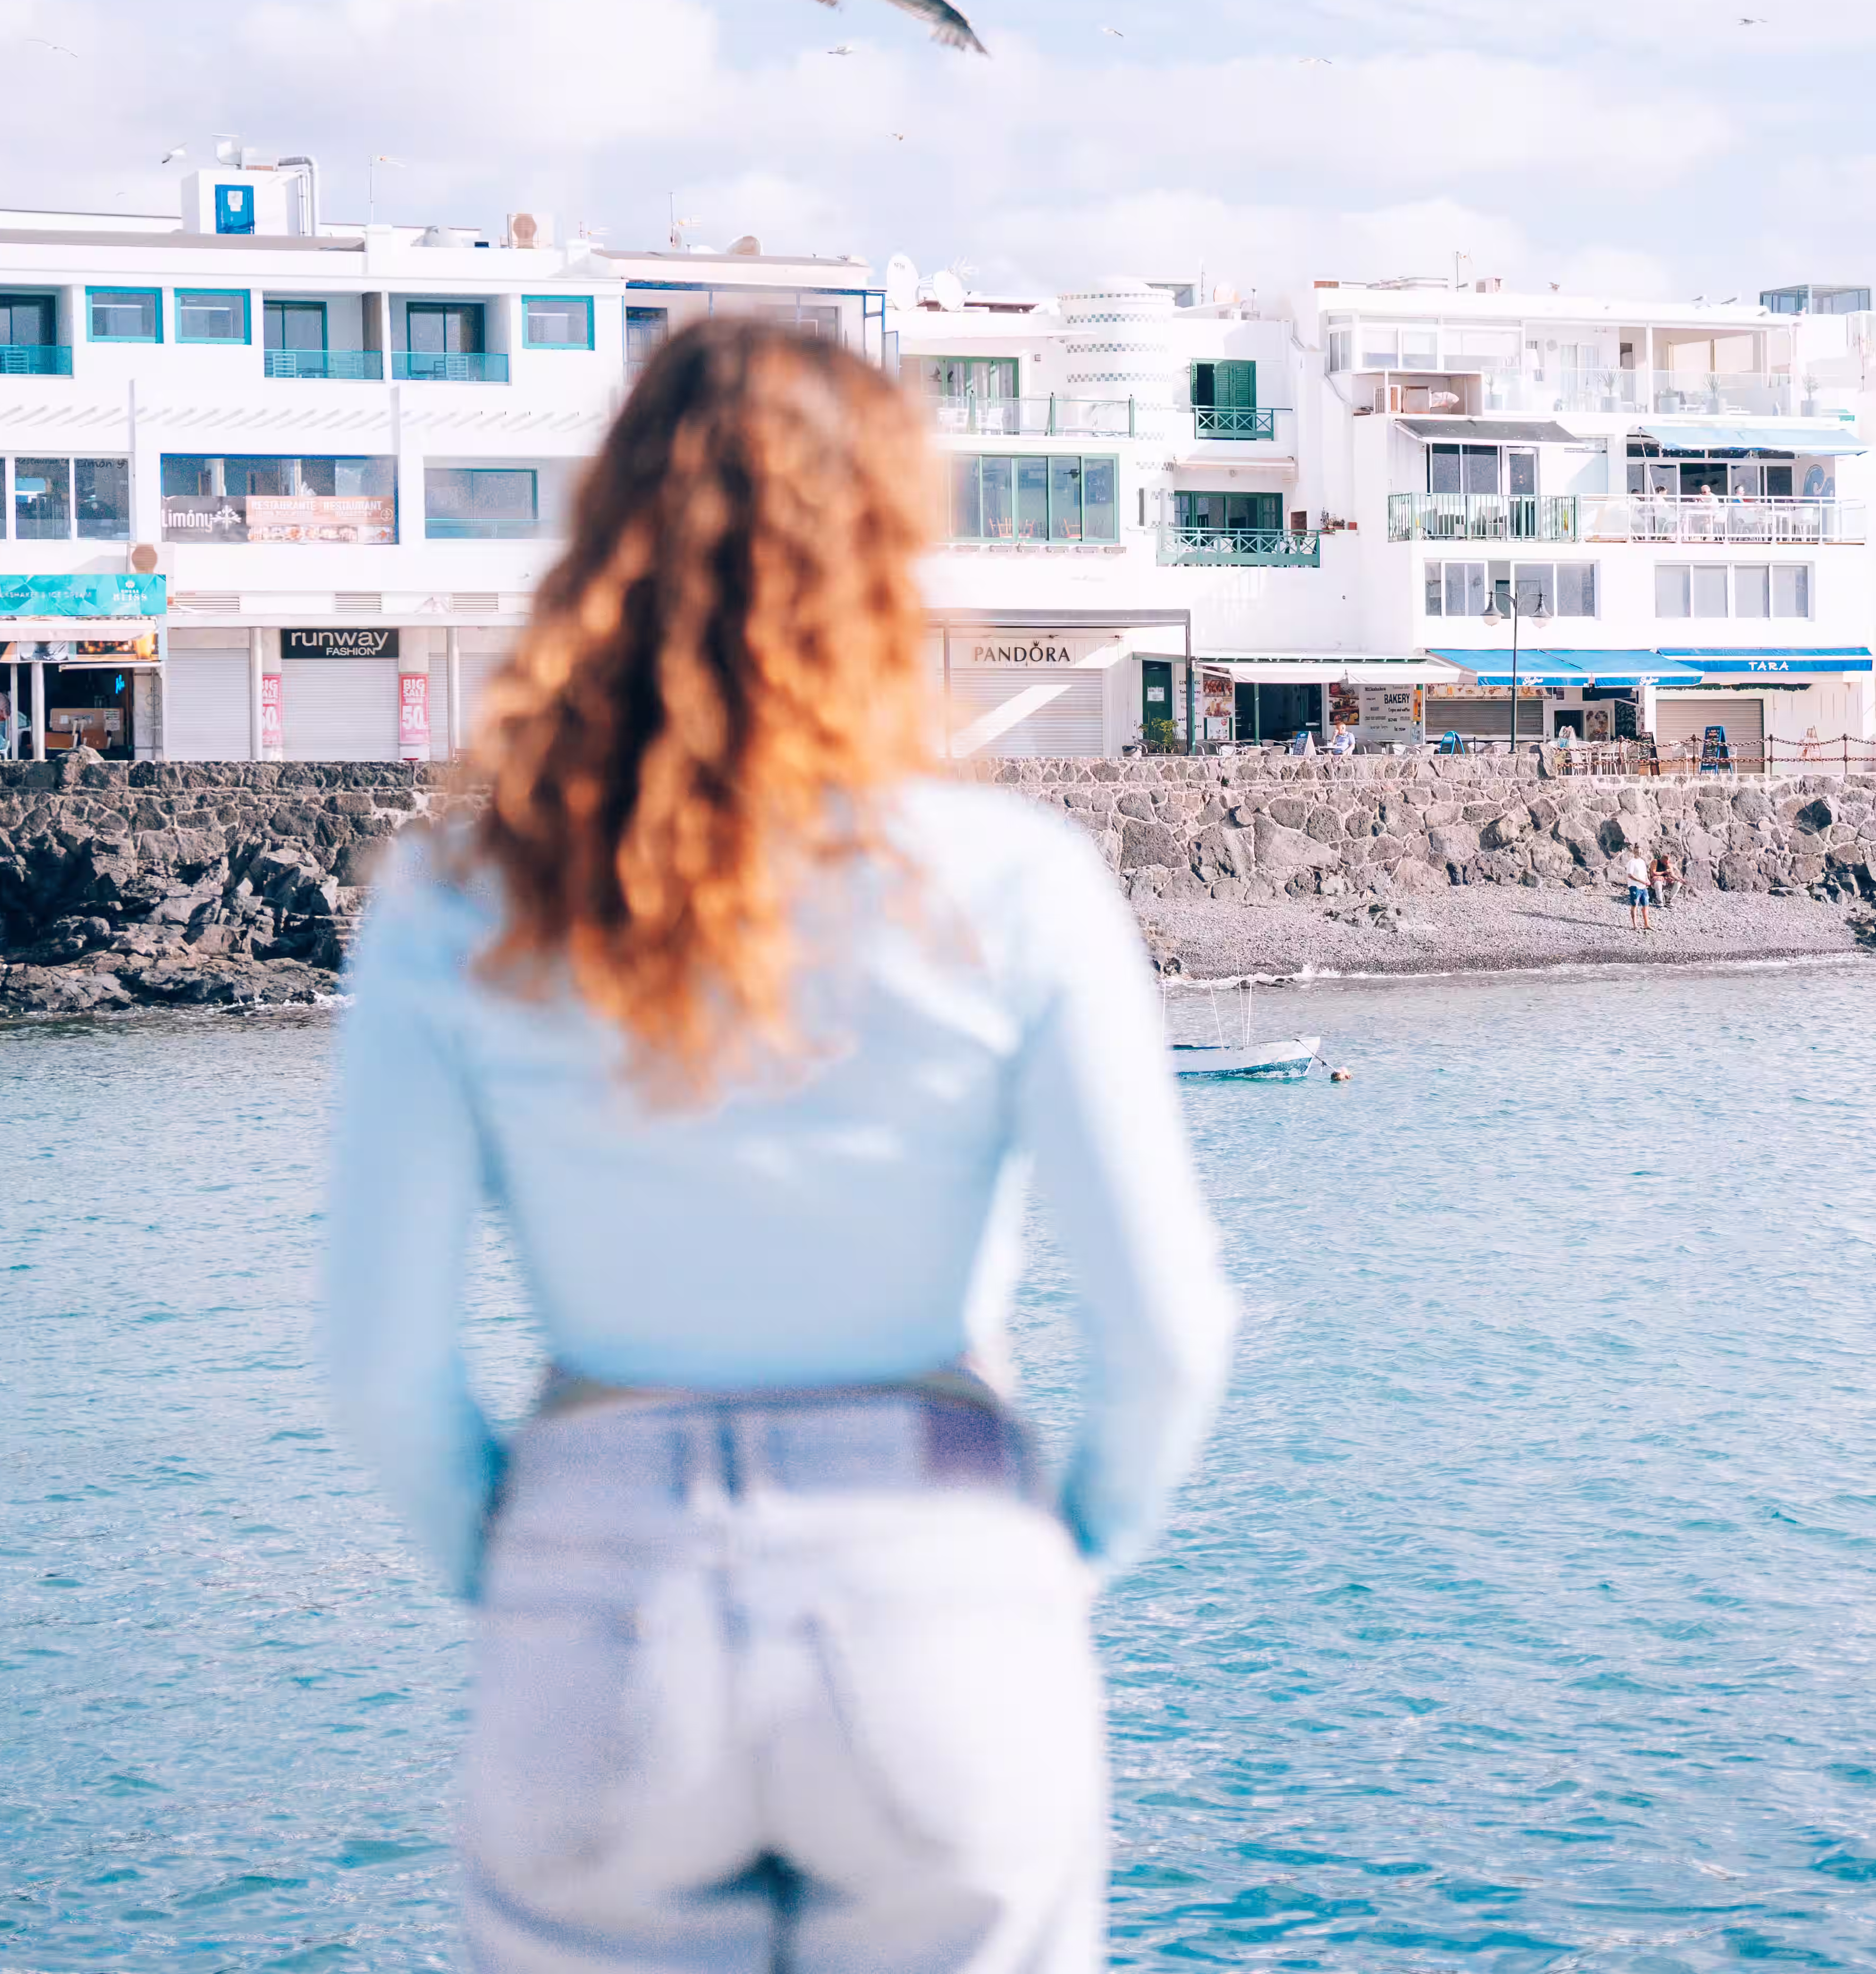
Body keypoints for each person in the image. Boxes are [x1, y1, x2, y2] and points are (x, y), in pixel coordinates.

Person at [320, 321, 1235, 1974]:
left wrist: (534, 1573)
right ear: (893, 558)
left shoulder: (456, 902)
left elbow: (383, 1375)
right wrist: (1046, 1563)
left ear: (606, 546)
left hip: (601, 1609)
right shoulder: (1017, 881)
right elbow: (1169, 1338)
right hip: (940, 1586)